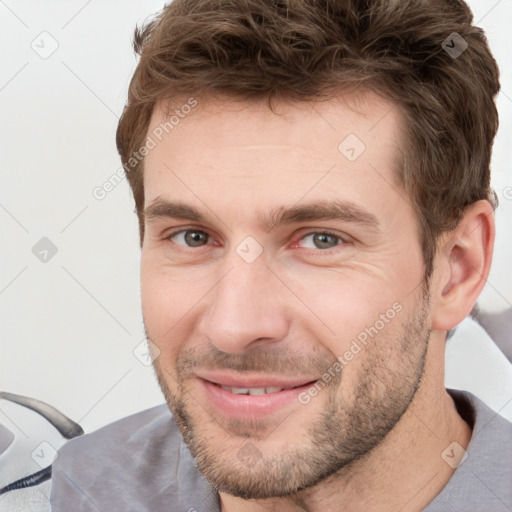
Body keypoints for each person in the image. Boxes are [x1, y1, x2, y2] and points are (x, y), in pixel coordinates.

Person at [49, 0, 512, 510]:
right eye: (192, 237)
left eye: (321, 240)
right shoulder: (79, 489)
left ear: (457, 269)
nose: (234, 326)